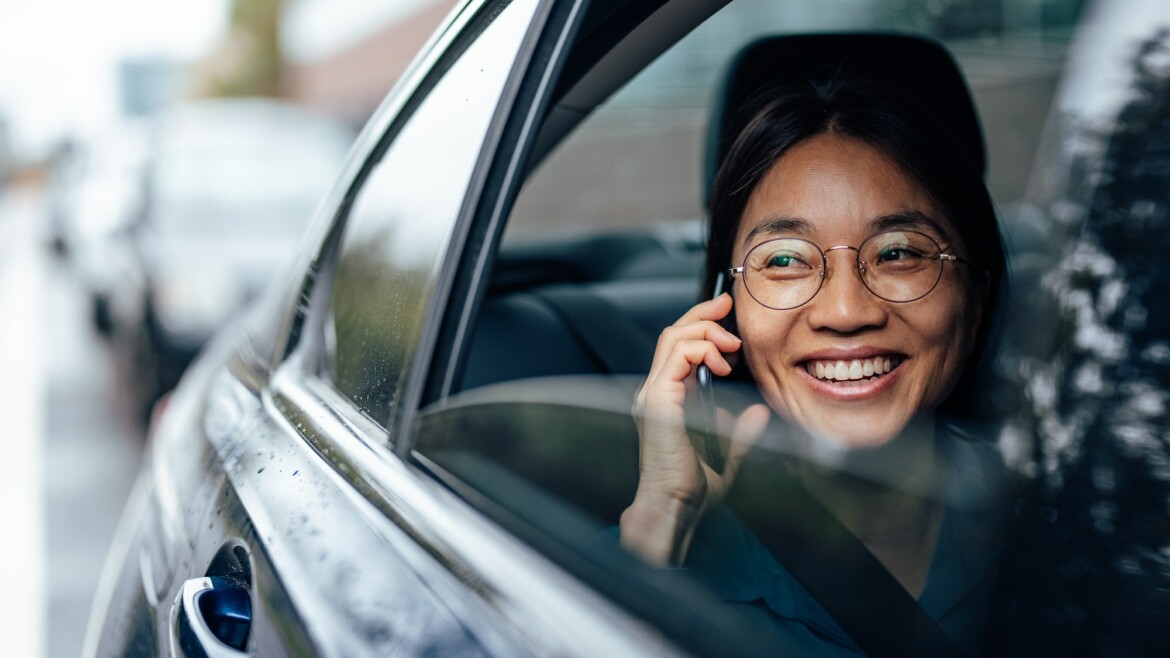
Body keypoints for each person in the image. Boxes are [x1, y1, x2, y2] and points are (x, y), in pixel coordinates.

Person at [618, 77, 1007, 655]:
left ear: (975, 300)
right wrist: (662, 518)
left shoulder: (1072, 516)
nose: (846, 312)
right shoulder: (637, 551)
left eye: (899, 251)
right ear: (728, 313)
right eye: (783, 260)